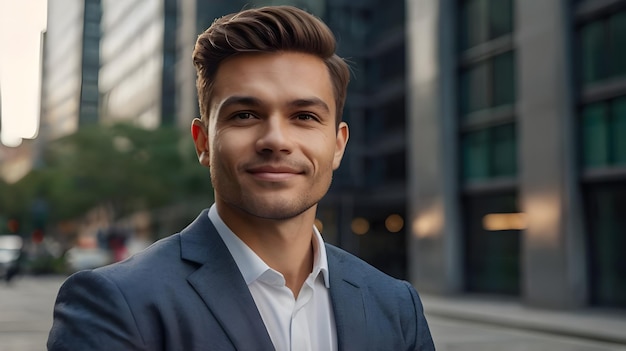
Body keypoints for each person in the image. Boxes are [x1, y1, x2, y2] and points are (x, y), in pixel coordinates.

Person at [47, 5, 434, 351]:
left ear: (337, 145)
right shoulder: (117, 304)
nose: (276, 141)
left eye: (304, 116)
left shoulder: (396, 305)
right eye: (245, 115)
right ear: (203, 143)